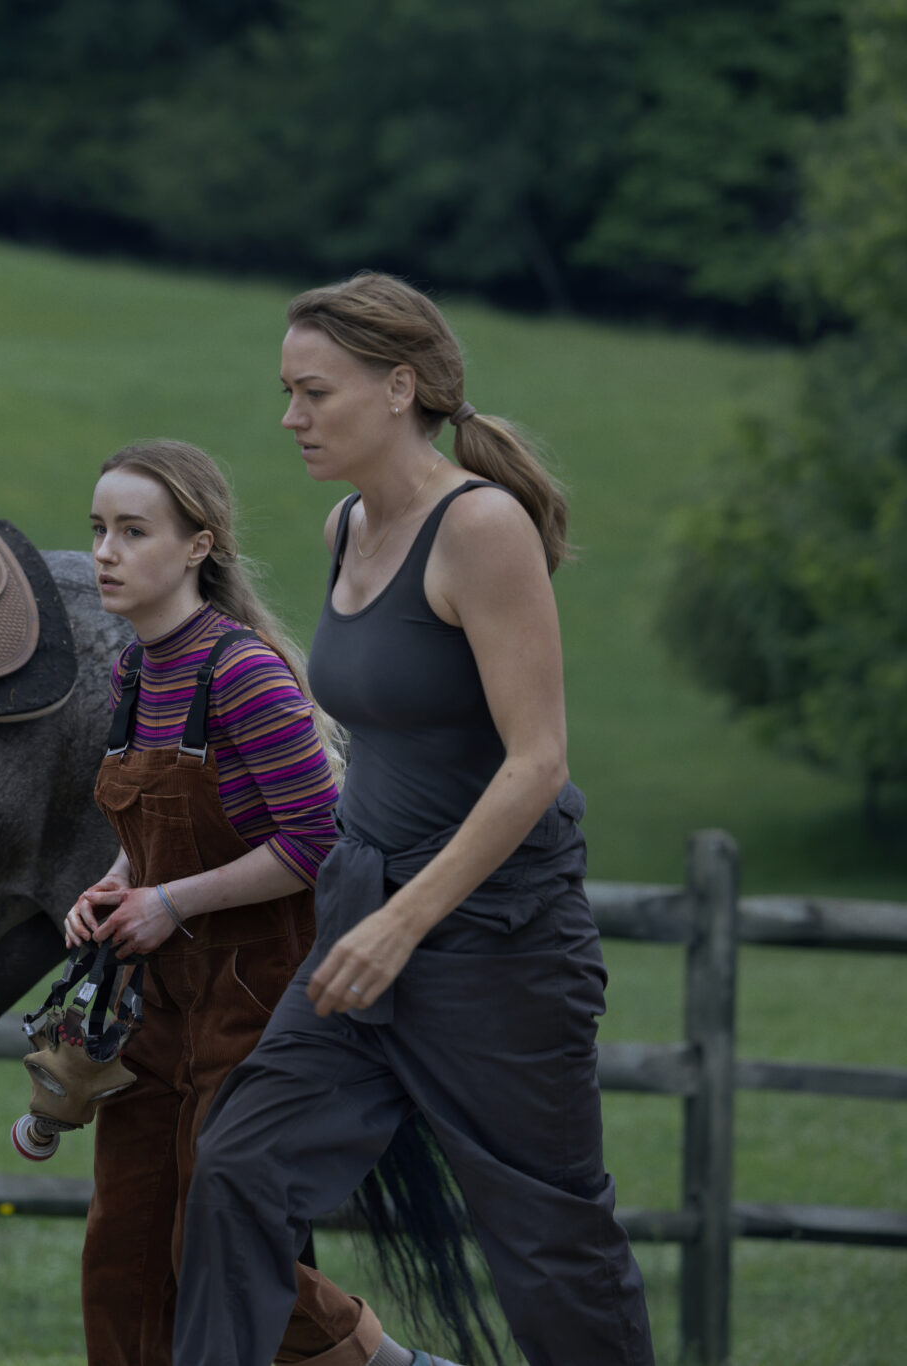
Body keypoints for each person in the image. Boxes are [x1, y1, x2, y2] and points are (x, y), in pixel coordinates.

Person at [174, 274, 655, 1366]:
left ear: (397, 388)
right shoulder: (349, 522)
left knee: (550, 1248)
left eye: (312, 392)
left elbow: (536, 762)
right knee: (241, 1166)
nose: (290, 417)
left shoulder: (479, 527)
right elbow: (373, 726)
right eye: (286, 391)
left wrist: (405, 922)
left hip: (496, 947)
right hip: (362, 922)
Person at [66, 440, 424, 1366]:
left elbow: (318, 841)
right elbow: (150, 826)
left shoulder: (244, 673)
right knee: (120, 1252)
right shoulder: (133, 674)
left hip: (257, 999)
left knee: (215, 1246)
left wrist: (173, 901)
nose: (105, 551)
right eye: (98, 529)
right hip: (155, 1006)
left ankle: (388, 1364)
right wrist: (113, 882)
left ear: (198, 547)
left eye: (133, 531)